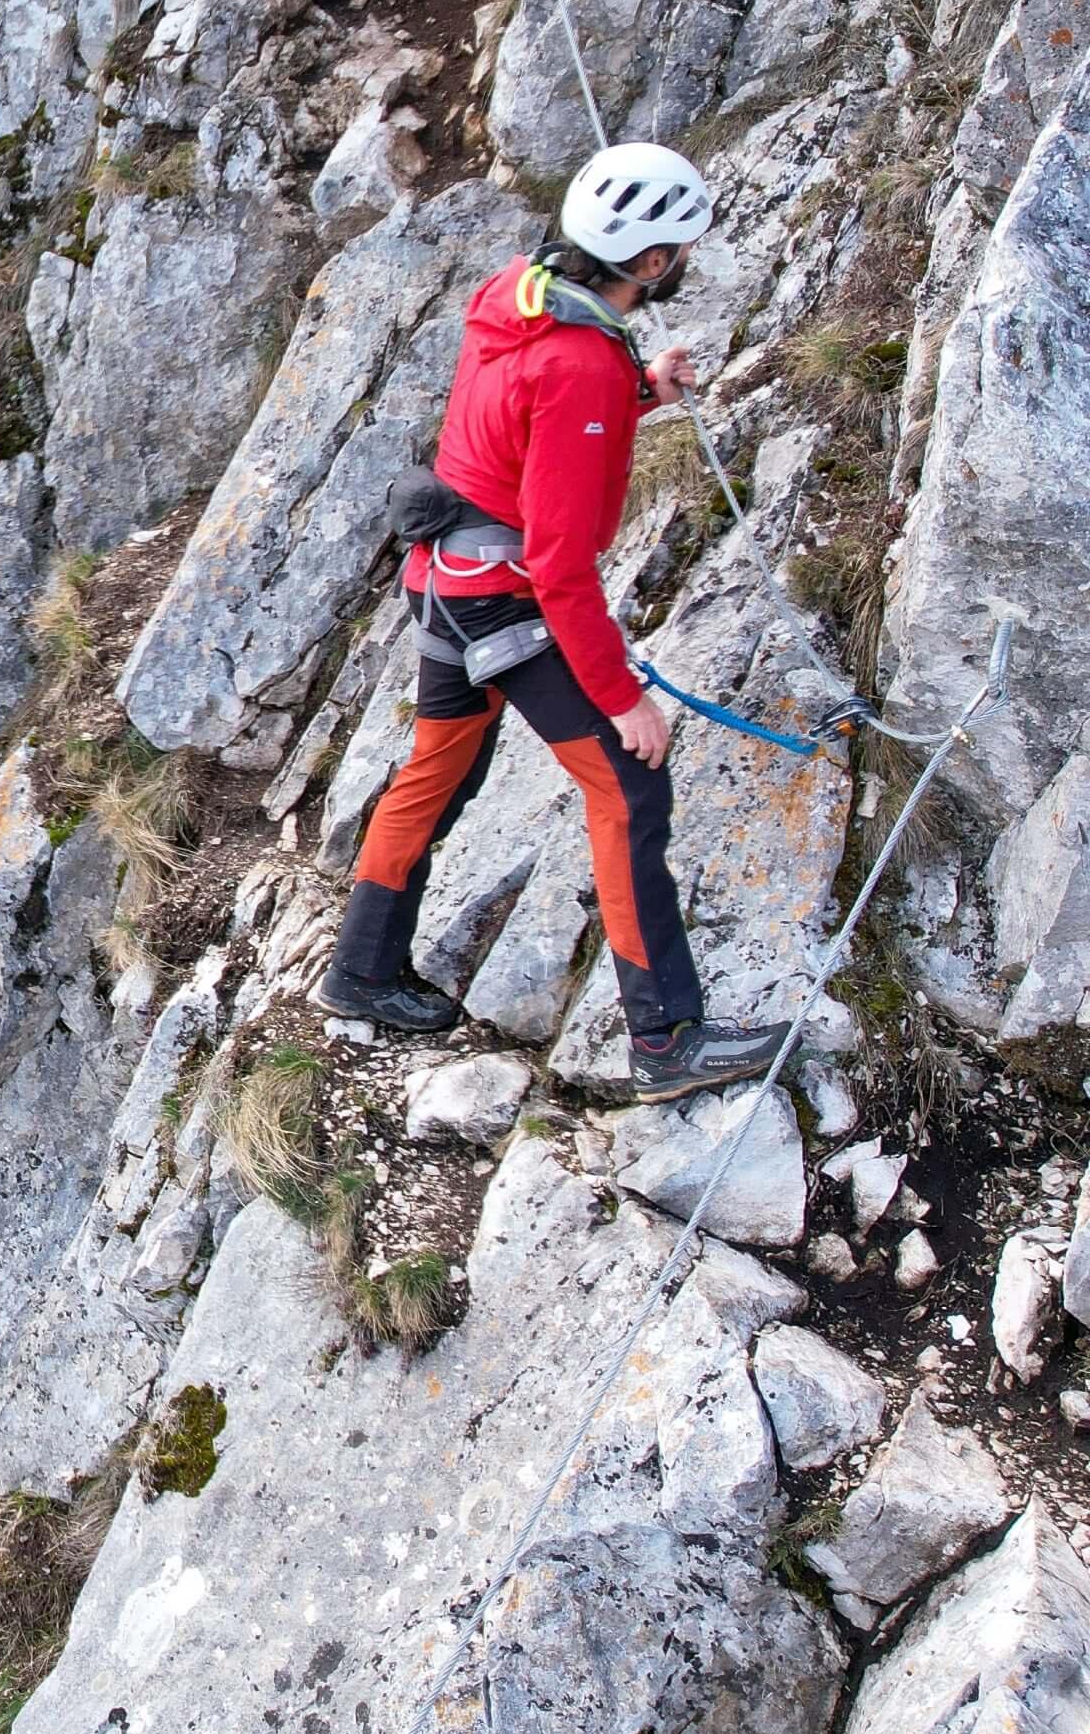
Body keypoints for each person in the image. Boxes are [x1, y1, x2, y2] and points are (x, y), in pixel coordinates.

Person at [314, 144, 782, 1105]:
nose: (684, 262)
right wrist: (623, 699)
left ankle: (360, 970)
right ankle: (666, 1040)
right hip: (504, 599)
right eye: (680, 250)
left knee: (440, 767)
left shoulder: (520, 293)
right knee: (628, 786)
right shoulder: (581, 362)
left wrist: (638, 390)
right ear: (651, 261)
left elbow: (527, 417)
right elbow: (564, 564)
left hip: (443, 578)